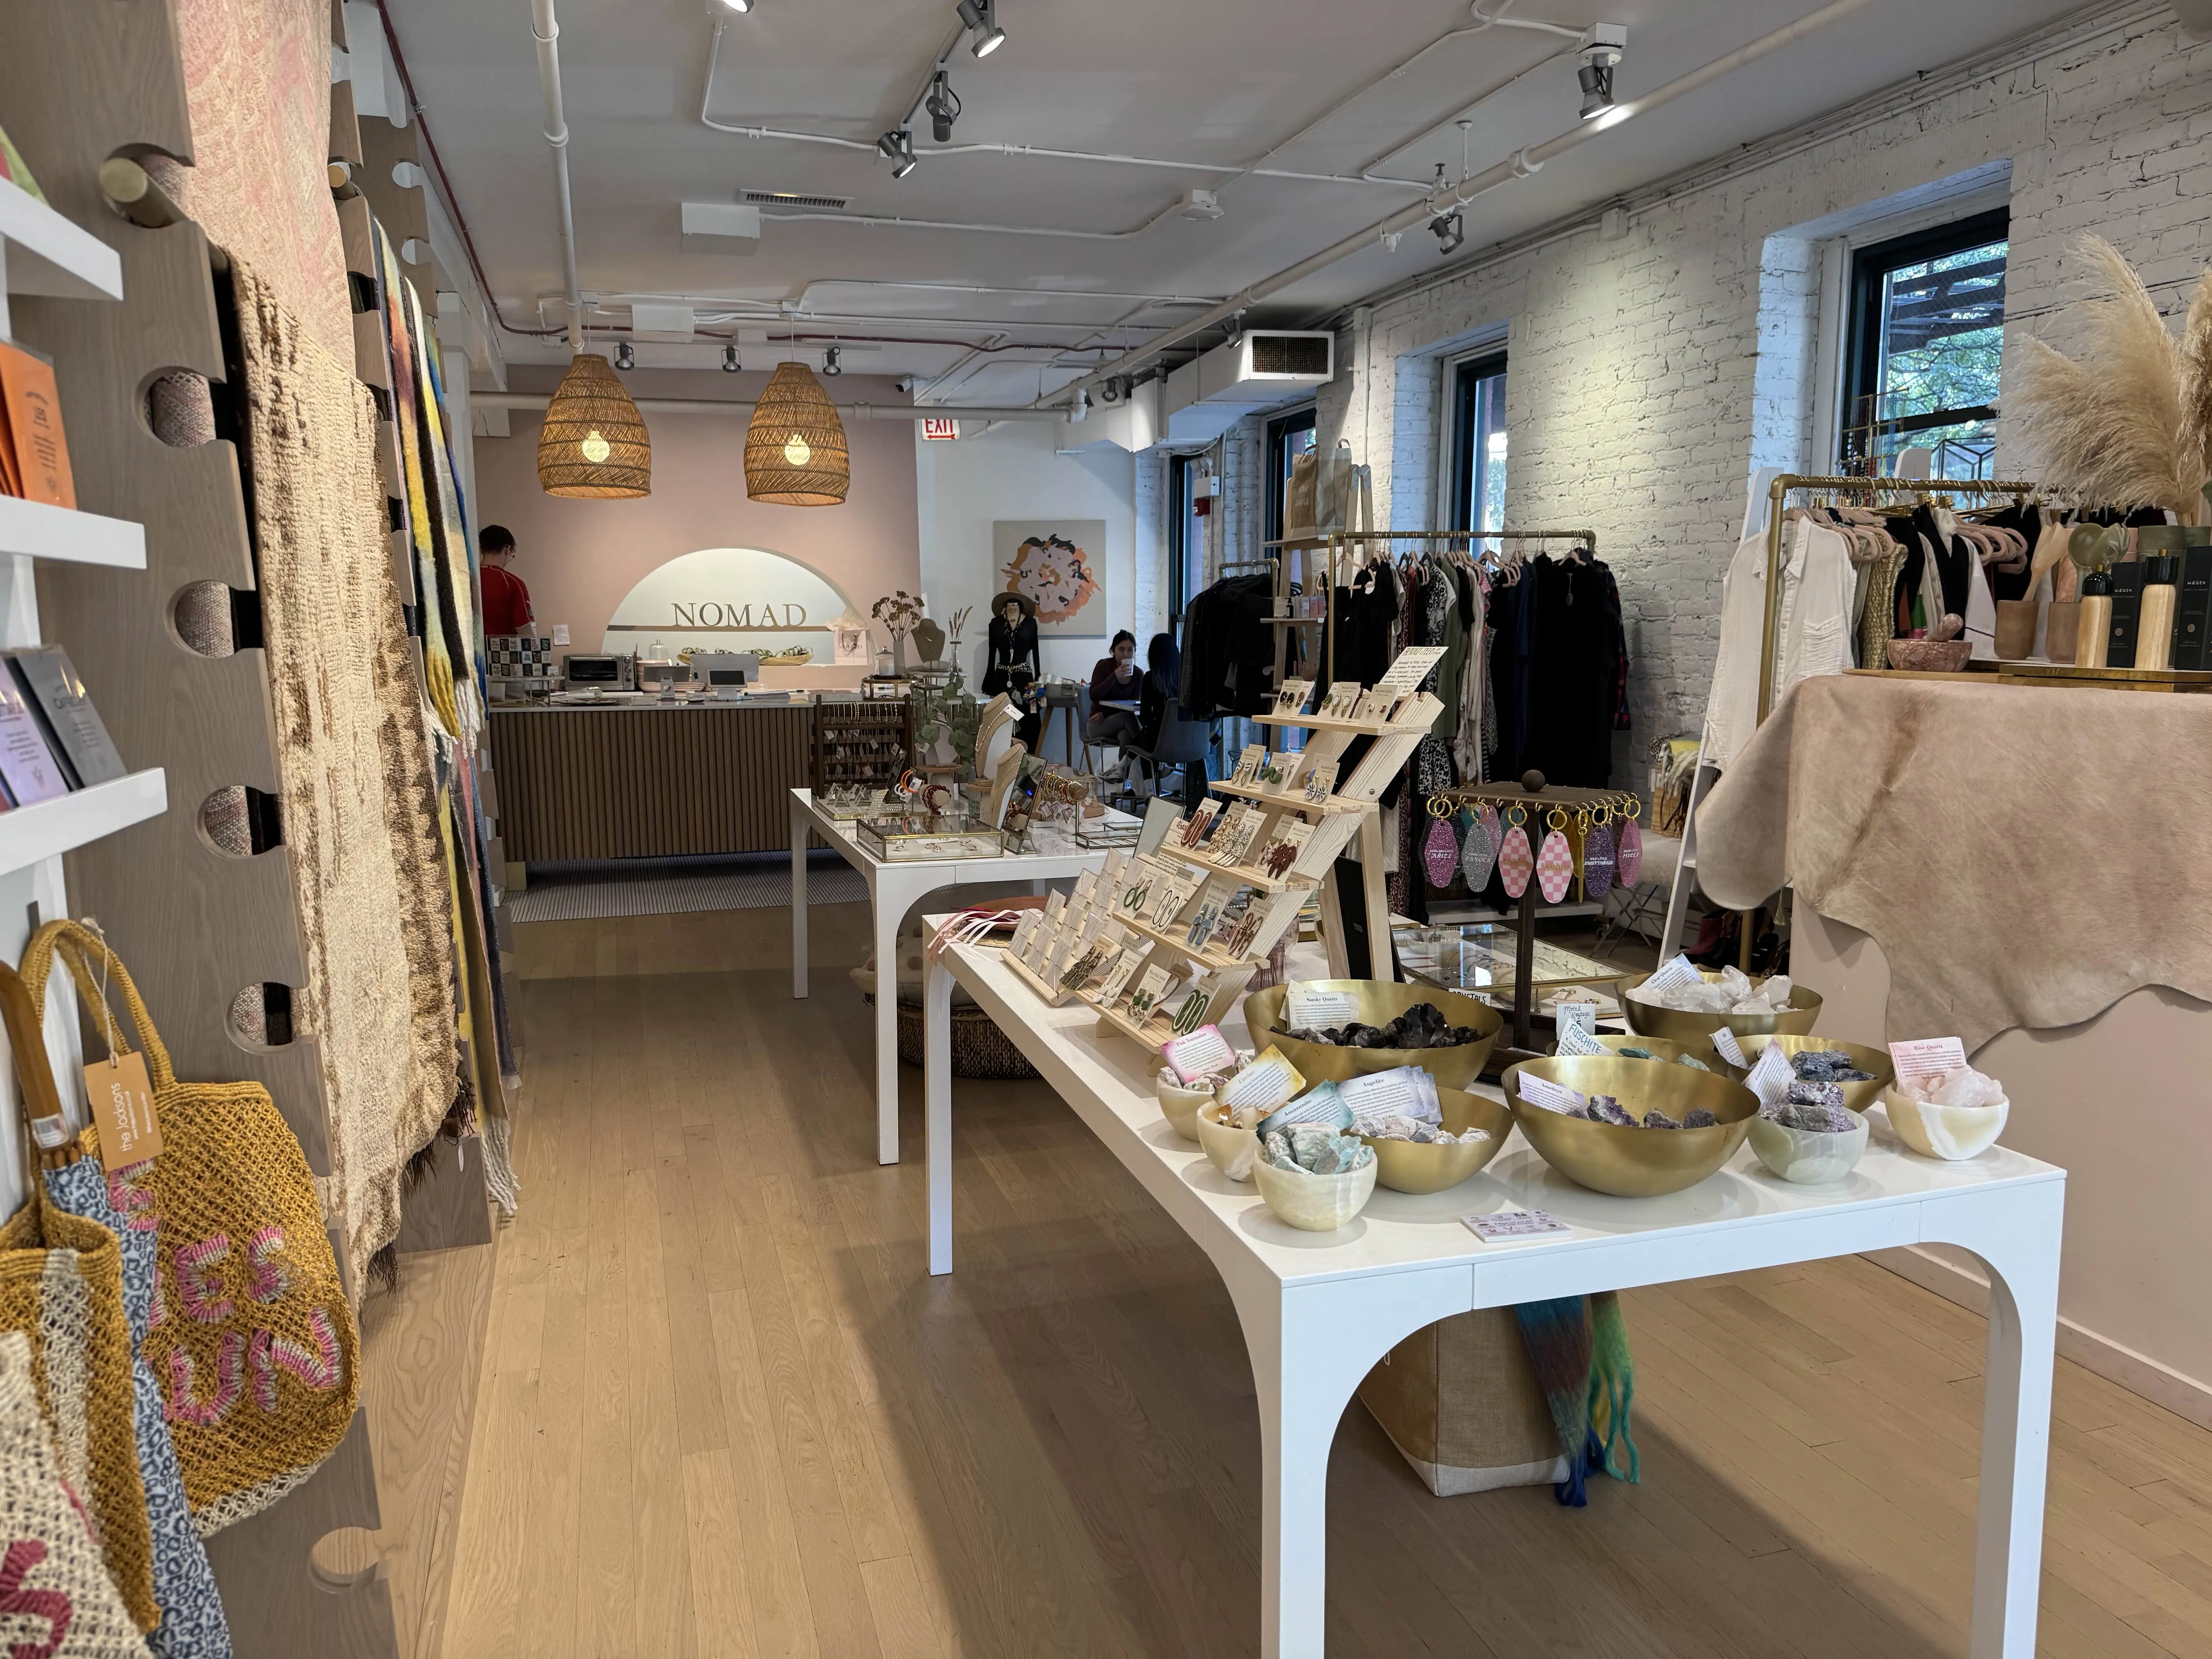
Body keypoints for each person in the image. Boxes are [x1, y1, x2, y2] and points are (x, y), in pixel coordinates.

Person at [1085, 630, 1142, 752]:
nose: (1126, 654)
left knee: (1126, 737)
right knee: (1130, 718)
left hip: (1118, 722)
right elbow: (1094, 696)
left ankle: (1122, 769)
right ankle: (1151, 756)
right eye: (1121, 650)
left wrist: (1106, 713)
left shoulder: (1138, 674)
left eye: (1130, 650)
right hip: (1098, 724)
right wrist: (1114, 677)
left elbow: (1132, 705)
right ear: (1113, 651)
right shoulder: (1104, 666)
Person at [479, 524, 533, 637]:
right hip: (502, 652)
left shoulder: (467, 578)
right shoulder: (513, 583)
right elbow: (526, 633)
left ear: (481, 549)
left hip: (468, 651)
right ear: (507, 550)